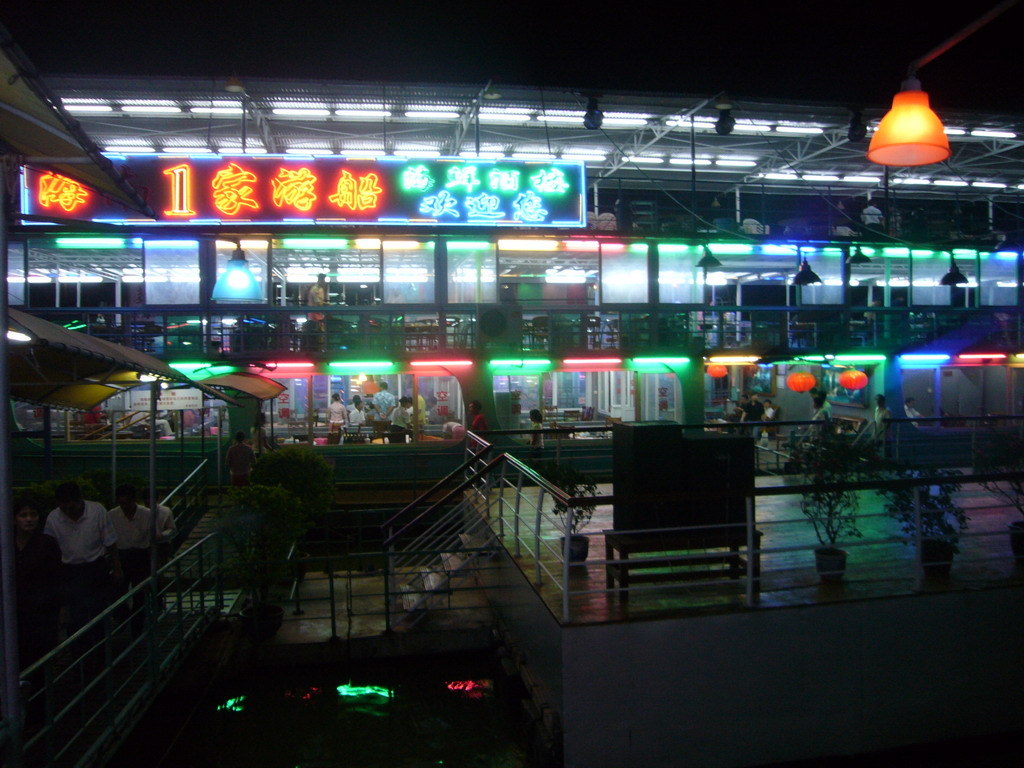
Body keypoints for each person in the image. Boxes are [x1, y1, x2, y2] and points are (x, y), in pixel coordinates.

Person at [44, 482, 121, 640]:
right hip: (69, 570)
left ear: (80, 501)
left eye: (71, 508)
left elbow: (111, 542)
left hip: (95, 567)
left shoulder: (97, 511)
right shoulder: (54, 518)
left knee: (98, 610)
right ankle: (79, 653)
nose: (67, 512)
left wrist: (117, 568)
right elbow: (50, 550)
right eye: (63, 508)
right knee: (75, 616)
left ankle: (101, 649)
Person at [108, 484, 176, 634]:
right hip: (123, 554)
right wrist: (116, 565)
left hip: (142, 554)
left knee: (140, 594)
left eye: (128, 503)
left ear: (134, 500)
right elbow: (111, 541)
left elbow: (154, 537)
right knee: (118, 591)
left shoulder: (147, 514)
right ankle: (124, 615)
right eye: (122, 503)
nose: (125, 507)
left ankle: (137, 628)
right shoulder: (112, 515)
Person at [13, 498, 62, 667]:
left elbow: (56, 577)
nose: (29, 519)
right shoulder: (7, 543)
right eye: (23, 515)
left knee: (39, 656)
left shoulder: (47, 543)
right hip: (15, 610)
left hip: (42, 610)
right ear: (14, 518)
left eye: (33, 515)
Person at [306, 273, 329, 349]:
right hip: (315, 314)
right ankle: (319, 347)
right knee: (318, 332)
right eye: (323, 280)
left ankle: (320, 345)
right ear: (320, 280)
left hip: (317, 314)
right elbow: (318, 303)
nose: (324, 282)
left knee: (320, 331)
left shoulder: (319, 289)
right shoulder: (316, 289)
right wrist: (328, 305)